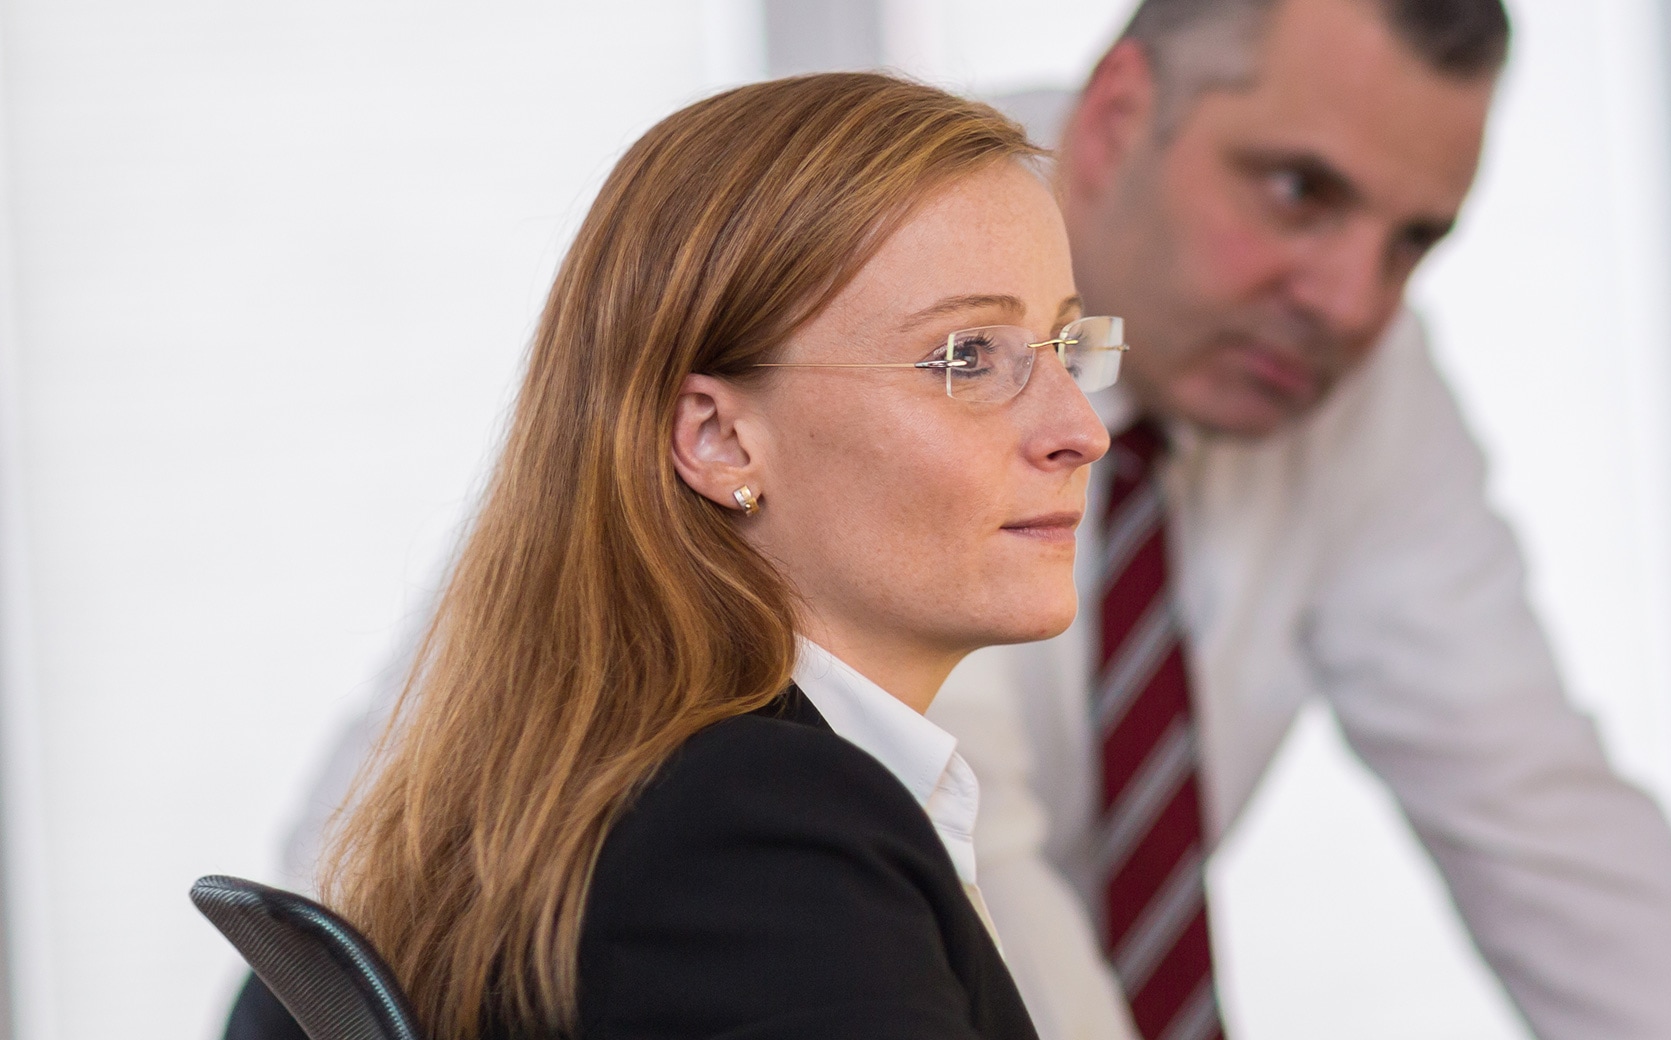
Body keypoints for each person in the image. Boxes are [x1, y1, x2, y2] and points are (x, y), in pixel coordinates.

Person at [277, 1, 1671, 1038]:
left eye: (1415, 240)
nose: (1353, 298)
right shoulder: (765, 818)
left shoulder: (1358, 380)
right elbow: (959, 881)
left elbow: (1544, 816)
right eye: (1298, 191)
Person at [248, 73, 1114, 1040]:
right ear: (716, 438)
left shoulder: (648, 799)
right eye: (968, 357)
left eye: (1069, 349)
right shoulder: (758, 832)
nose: (1081, 429)